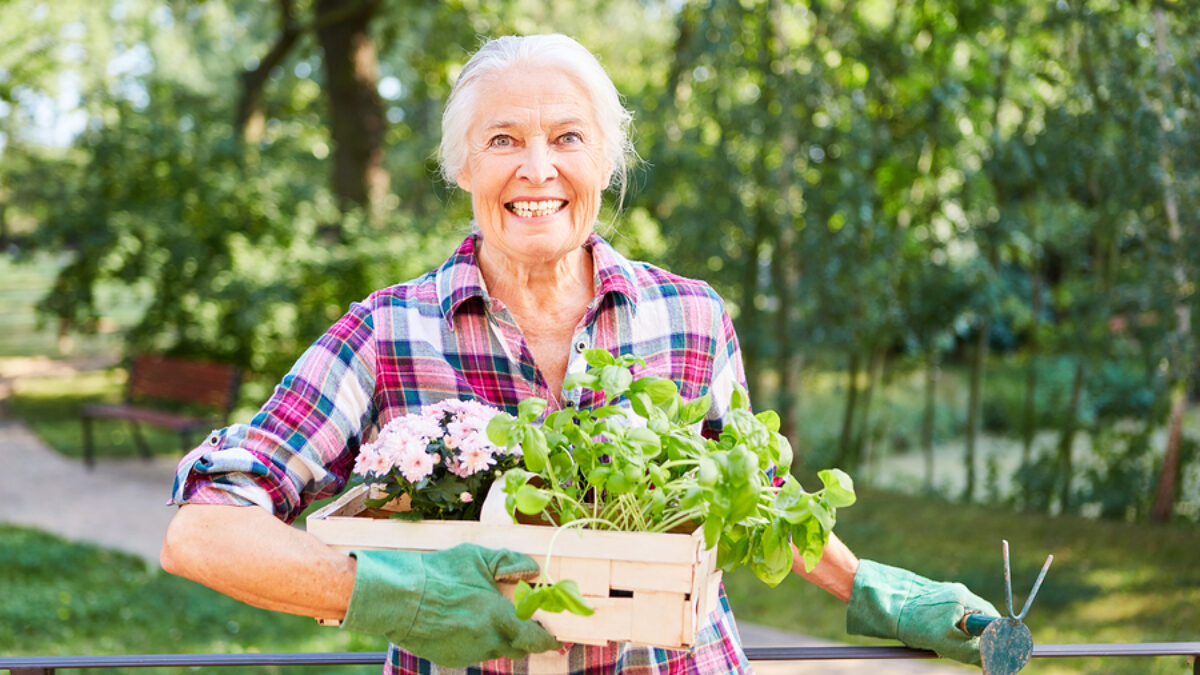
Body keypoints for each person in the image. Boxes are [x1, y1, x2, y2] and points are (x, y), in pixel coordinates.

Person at [161, 33, 997, 674]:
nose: (537, 169)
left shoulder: (689, 317)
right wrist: (388, 595)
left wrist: (884, 595)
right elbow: (201, 532)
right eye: (502, 140)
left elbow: (757, 494)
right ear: (460, 164)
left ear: (605, 159)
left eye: (567, 137)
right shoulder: (389, 333)